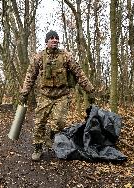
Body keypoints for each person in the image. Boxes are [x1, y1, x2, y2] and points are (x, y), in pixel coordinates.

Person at [19, 30, 95, 161]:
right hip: (44, 95)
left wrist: (89, 89)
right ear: (46, 41)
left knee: (59, 122)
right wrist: (24, 92)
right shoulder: (38, 57)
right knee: (39, 123)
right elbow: (30, 76)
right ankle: (37, 148)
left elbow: (79, 73)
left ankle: (51, 136)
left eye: (56, 38)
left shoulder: (66, 56)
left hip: (62, 95)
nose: (54, 40)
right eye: (51, 38)